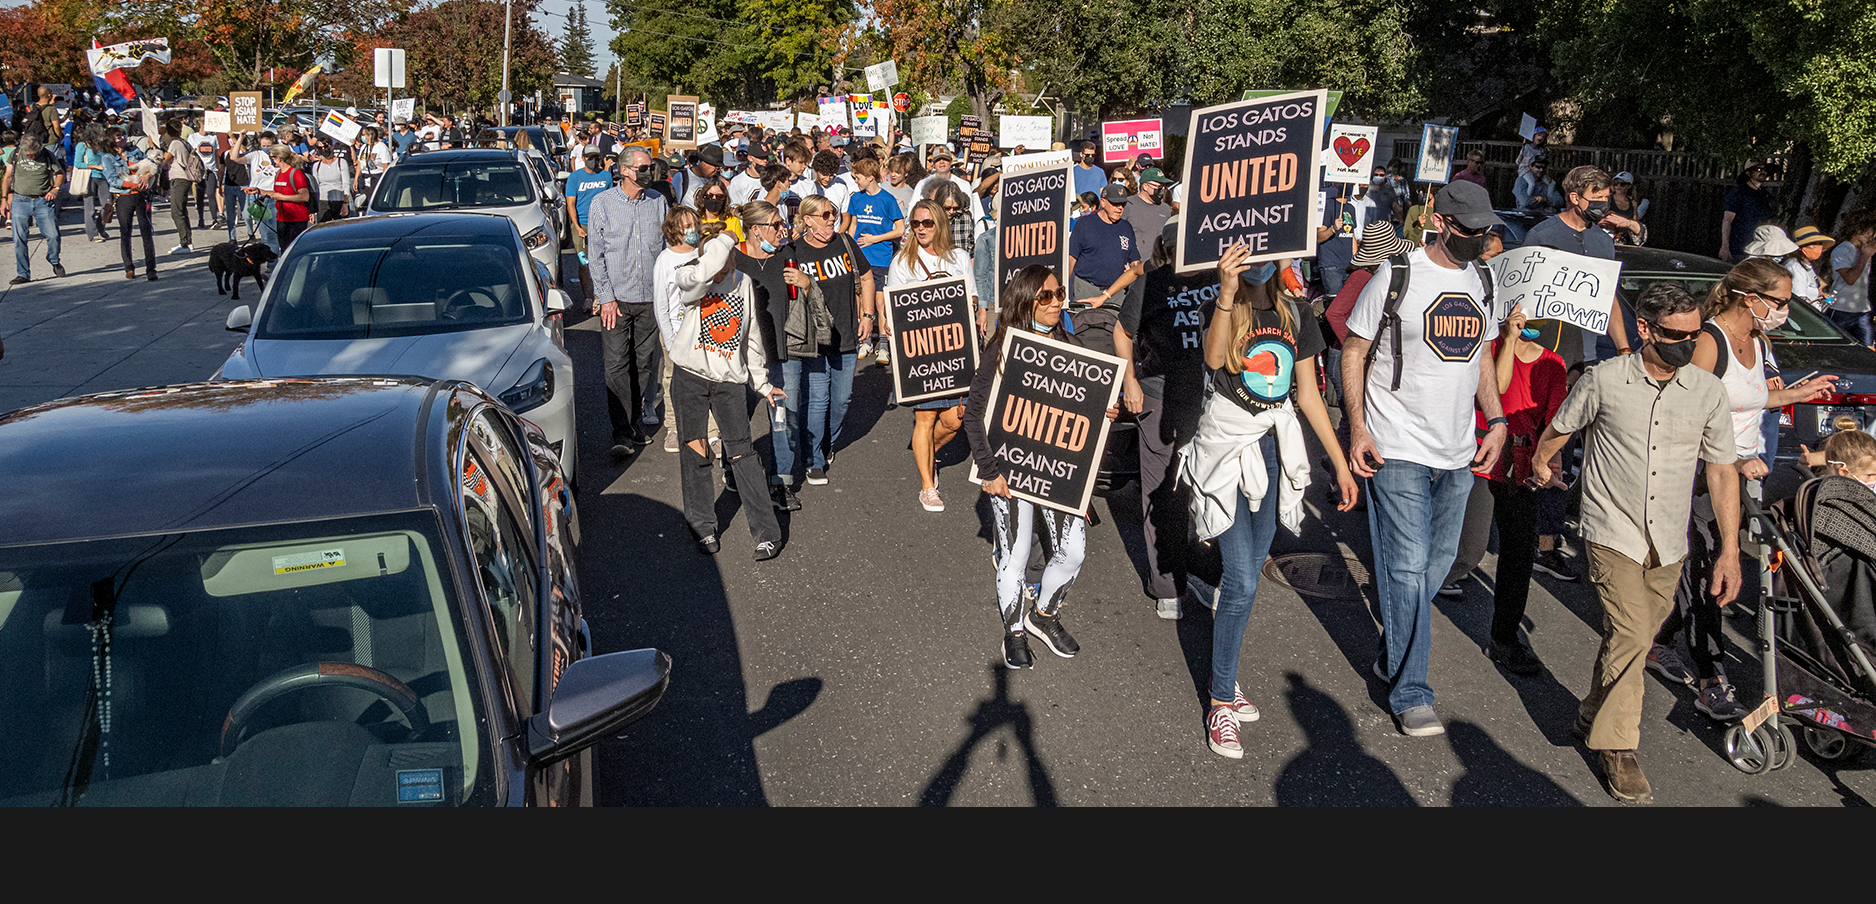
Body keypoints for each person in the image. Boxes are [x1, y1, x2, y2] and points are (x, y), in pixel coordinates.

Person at [1528, 283, 1743, 803]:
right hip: (1611, 530)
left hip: (1669, 541)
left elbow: (1720, 471)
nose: (1688, 345)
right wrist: (1541, 460)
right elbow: (1561, 426)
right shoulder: (1605, 379)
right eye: (1676, 335)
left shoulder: (1708, 391)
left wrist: (1731, 552)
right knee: (1629, 634)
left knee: (1632, 640)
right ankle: (1618, 748)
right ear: (1645, 329)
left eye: (1694, 335)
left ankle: (1589, 713)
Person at [1340, 180, 1510, 738]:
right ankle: (1411, 690)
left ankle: (1392, 655)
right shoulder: (1397, 274)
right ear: (1439, 221)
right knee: (1409, 571)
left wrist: (1499, 421)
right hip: (1398, 448)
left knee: (1433, 569)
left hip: (1458, 452)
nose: (1478, 241)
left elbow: (1480, 359)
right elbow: (1355, 350)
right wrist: (1359, 430)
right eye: (1468, 231)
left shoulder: (1484, 278)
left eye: (1485, 232)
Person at [1185, 243, 1358, 756]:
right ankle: (1220, 703)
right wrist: (1226, 289)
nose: (1257, 259)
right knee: (1239, 577)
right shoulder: (1220, 303)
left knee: (1250, 572)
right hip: (1228, 448)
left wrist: (1340, 462)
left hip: (1272, 447)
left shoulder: (1296, 312)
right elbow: (1215, 359)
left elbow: (1306, 394)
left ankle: (1226, 670)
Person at [1648, 258, 1838, 720]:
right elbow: (1686, 414)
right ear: (1749, 298)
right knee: (1712, 567)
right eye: (1780, 301)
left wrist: (1796, 394)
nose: (1785, 310)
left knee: (1713, 565)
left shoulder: (1758, 339)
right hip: (1702, 473)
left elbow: (1750, 399)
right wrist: (1731, 458)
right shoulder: (1710, 341)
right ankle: (1712, 676)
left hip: (1742, 472)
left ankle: (1656, 640)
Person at [963, 266, 1119, 668]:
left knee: (1074, 552)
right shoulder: (1002, 350)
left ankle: (1043, 615)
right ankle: (1013, 632)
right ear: (1025, 300)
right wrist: (989, 470)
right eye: (1045, 296)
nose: (1056, 302)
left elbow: (1080, 407)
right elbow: (973, 415)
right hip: (1009, 472)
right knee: (1014, 557)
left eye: (1059, 293)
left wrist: (1105, 410)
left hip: (1059, 473)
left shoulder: (1068, 342)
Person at [655, 223, 788, 560]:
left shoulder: (743, 283)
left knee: (742, 454)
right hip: (690, 377)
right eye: (720, 254)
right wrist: (723, 241)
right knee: (695, 450)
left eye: (730, 255)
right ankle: (702, 525)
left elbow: (753, 339)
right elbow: (700, 276)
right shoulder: (691, 276)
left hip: (730, 382)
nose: (726, 261)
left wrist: (763, 384)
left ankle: (766, 532)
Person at [1471, 300, 1569, 675]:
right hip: (1481, 456)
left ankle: (1505, 638)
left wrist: (1550, 462)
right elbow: (1495, 390)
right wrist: (1509, 340)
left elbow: (1555, 420)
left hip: (1523, 466)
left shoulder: (1553, 363)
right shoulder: (1491, 348)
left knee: (1518, 554)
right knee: (1466, 548)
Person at [886, 198, 977, 511]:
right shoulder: (902, 262)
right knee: (924, 417)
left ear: (940, 224)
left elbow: (972, 297)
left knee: (955, 419)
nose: (921, 229)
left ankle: (924, 452)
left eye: (927, 223)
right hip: (921, 354)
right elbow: (893, 308)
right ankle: (927, 486)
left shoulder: (959, 257)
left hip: (955, 349)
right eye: (915, 223)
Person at [587, 145, 672, 453]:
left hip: (650, 299)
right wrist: (605, 297)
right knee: (616, 366)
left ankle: (635, 422)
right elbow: (594, 256)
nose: (649, 173)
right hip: (617, 301)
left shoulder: (658, 202)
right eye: (643, 168)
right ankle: (621, 431)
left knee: (644, 364)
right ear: (625, 171)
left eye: (650, 168)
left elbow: (666, 250)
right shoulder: (603, 204)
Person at [789, 194, 875, 485]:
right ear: (808, 220)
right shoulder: (794, 251)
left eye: (833, 214)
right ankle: (813, 458)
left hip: (847, 335)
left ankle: (827, 443)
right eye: (825, 215)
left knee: (840, 400)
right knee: (816, 399)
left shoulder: (845, 244)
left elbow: (866, 277)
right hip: (812, 339)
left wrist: (868, 315)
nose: (831, 220)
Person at [734, 199, 808, 512]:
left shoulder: (787, 255)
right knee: (737, 417)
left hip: (783, 350)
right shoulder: (733, 259)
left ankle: (781, 481)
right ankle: (736, 472)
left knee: (783, 418)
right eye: (775, 225)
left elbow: (802, 297)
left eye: (781, 224)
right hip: (740, 354)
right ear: (754, 229)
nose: (783, 230)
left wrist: (806, 283)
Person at [1521, 166, 1636, 365]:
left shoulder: (1604, 241)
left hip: (1588, 355)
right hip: (1545, 354)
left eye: (1605, 198)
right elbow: (1523, 297)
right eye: (1597, 198)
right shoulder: (1540, 236)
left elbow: (1608, 297)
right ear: (1575, 198)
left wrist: (1623, 348)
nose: (1602, 204)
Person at [2, 134, 65, 284]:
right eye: (30, 154)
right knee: (19, 239)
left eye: (35, 154)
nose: (33, 157)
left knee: (53, 235)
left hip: (43, 200)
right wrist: (4, 199)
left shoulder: (47, 155)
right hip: (20, 200)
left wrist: (55, 189)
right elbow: (7, 177)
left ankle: (54, 259)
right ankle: (23, 273)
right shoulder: (16, 154)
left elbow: (60, 173)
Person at [100, 133, 155, 281]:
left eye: (123, 136)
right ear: (111, 140)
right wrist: (134, 184)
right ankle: (129, 267)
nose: (122, 138)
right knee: (125, 232)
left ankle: (151, 268)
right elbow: (113, 180)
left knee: (146, 231)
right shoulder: (107, 157)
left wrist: (147, 176)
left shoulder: (135, 151)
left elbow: (154, 164)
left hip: (141, 196)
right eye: (118, 137)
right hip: (123, 196)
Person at [845, 155, 904, 283]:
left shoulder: (888, 199)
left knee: (880, 301)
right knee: (860, 297)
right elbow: (853, 225)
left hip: (880, 258)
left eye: (858, 178)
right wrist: (850, 249)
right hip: (859, 256)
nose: (856, 181)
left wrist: (874, 239)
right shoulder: (855, 198)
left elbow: (900, 230)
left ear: (870, 177)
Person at [564, 147, 613, 296]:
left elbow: (611, 200)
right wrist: (577, 226)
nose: (593, 160)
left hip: (602, 225)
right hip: (582, 225)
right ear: (583, 158)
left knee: (603, 261)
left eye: (596, 157)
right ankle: (587, 297)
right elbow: (570, 204)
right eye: (590, 157)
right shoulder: (575, 177)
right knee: (584, 262)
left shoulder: (606, 176)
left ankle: (601, 295)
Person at [248, 144, 311, 249]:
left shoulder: (296, 173)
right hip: (282, 218)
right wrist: (258, 191)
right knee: (284, 249)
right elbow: (276, 193)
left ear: (279, 158)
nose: (271, 160)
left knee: (294, 250)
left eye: (272, 157)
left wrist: (283, 197)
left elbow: (304, 197)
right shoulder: (278, 174)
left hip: (296, 219)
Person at [1827, 207, 1875, 345]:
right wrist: (1864, 256)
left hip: (1862, 309)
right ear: (1860, 230)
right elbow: (1849, 279)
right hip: (1841, 308)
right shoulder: (1843, 250)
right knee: (1837, 346)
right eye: (1870, 231)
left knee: (1868, 347)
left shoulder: (1863, 252)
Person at [1315, 184, 1367, 297]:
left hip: (1348, 265)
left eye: (1352, 184)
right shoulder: (1329, 205)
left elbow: (1351, 235)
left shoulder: (1351, 208)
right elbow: (1318, 236)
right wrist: (1333, 229)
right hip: (1331, 265)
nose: (1349, 186)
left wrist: (1356, 260)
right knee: (1335, 304)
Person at [1720, 162, 1777, 262]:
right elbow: (1727, 220)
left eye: (1764, 170)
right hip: (1739, 248)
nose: (1763, 172)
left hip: (1760, 249)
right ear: (1748, 173)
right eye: (1758, 169)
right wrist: (1725, 246)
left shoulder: (1765, 195)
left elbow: (1768, 222)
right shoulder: (1738, 193)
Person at [160, 122, 202, 254]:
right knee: (181, 210)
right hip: (185, 178)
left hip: (179, 178)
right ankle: (187, 240)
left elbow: (164, 161)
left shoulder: (175, 144)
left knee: (177, 211)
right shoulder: (184, 143)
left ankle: (184, 243)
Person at [73, 125, 111, 244]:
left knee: (108, 205)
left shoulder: (103, 145)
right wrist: (95, 166)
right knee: (89, 208)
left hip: (103, 177)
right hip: (89, 177)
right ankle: (92, 234)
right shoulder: (82, 145)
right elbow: (78, 163)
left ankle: (100, 226)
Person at [1786, 225, 1835, 307]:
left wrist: (1822, 296)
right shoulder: (1796, 267)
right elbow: (1799, 301)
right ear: (1803, 249)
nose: (1820, 247)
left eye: (1820, 244)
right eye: (1815, 244)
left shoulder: (1807, 266)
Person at [310, 138, 350, 223]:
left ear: (332, 147)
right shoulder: (316, 166)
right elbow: (315, 187)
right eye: (320, 147)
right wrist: (313, 210)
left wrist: (345, 203)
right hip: (323, 201)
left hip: (339, 200)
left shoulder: (341, 162)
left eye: (325, 146)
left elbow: (346, 184)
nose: (323, 149)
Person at [694, 177, 743, 242]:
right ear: (703, 196)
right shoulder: (695, 220)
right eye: (710, 195)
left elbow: (741, 245)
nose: (714, 199)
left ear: (725, 199)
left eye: (719, 196)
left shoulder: (733, 221)